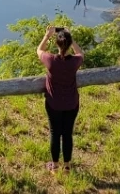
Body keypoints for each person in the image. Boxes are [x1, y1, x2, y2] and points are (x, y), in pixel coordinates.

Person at [37, 24, 84, 173]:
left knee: (55, 133)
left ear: (57, 43)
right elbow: (80, 53)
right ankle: (67, 166)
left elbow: (39, 50)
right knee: (67, 133)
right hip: (71, 103)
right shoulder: (75, 62)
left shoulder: (50, 60)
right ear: (69, 43)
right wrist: (70, 37)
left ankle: (55, 165)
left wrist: (47, 35)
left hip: (53, 104)